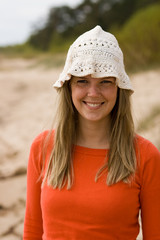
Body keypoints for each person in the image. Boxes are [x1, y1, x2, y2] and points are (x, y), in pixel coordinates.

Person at [23, 25, 160, 240]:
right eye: (82, 81)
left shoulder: (145, 156)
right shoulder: (42, 147)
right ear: (69, 87)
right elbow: (32, 230)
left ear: (118, 88)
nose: (93, 93)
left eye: (105, 81)